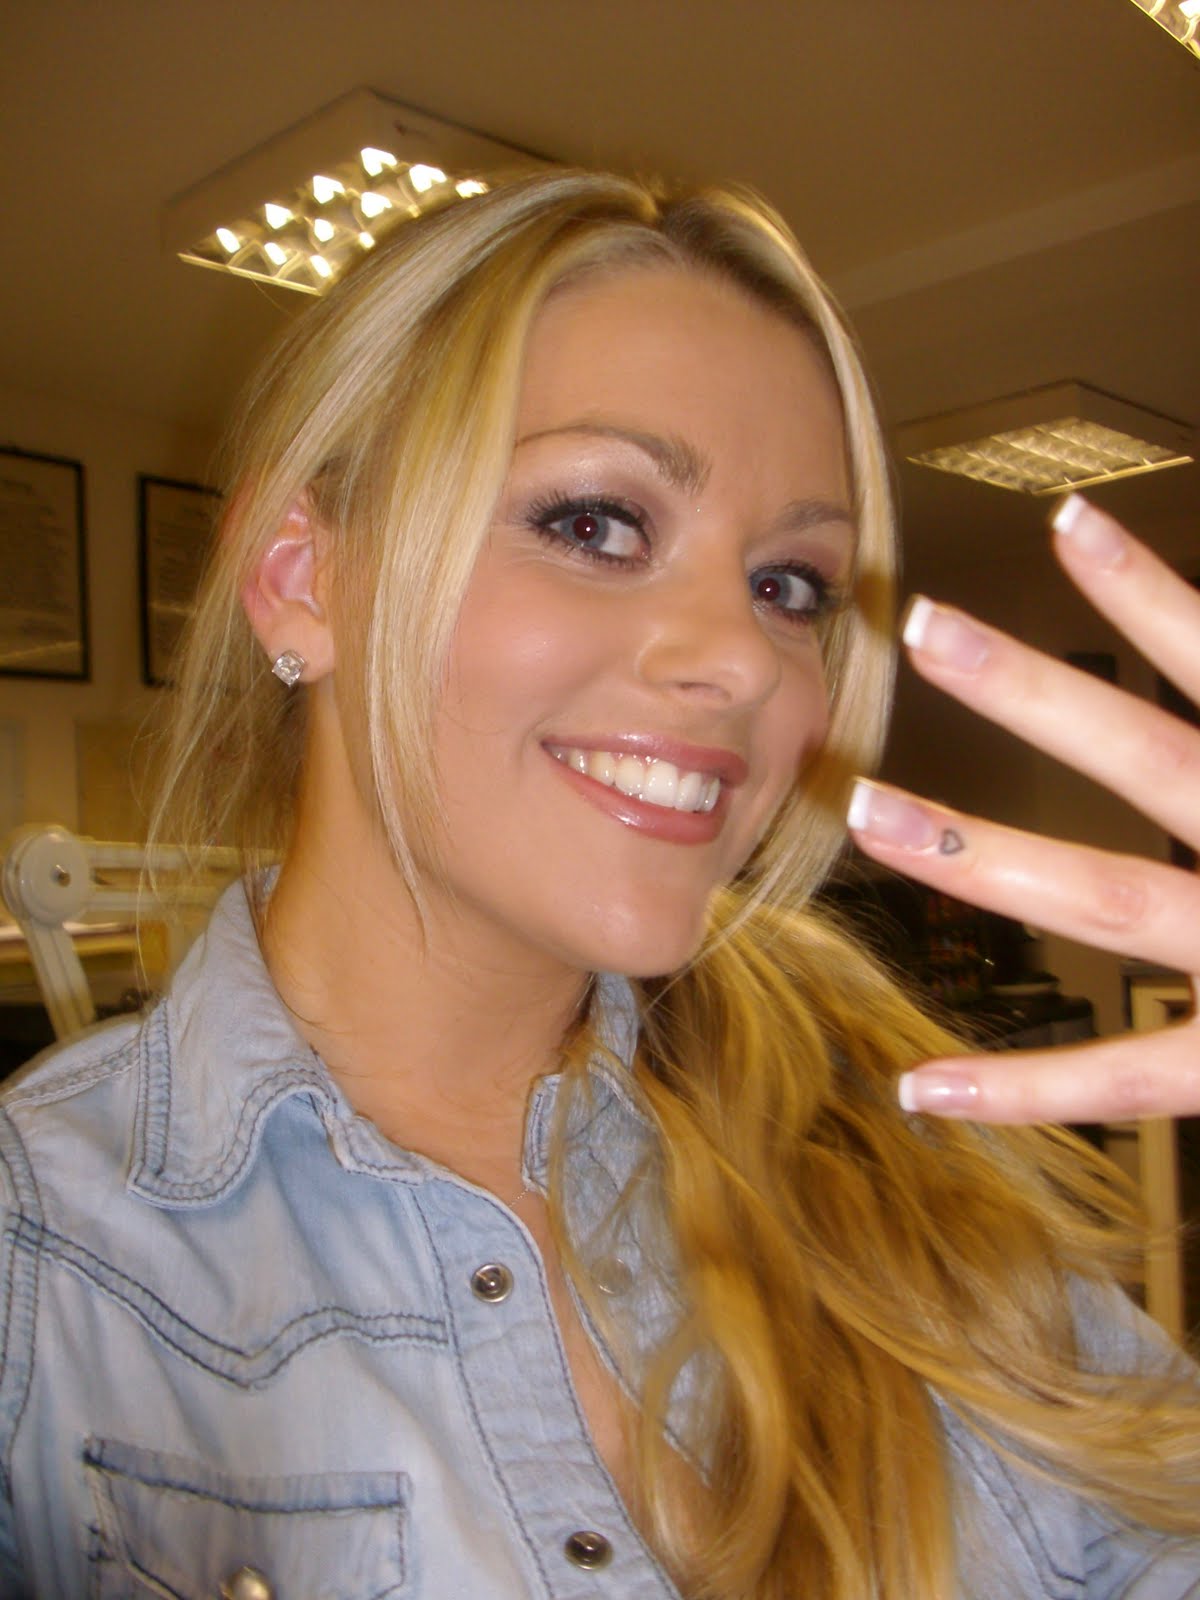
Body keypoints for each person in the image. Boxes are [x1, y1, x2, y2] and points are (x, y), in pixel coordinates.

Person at [0, 169, 1197, 1600]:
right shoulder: (42, 1258)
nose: (743, 659)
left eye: (790, 586)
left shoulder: (913, 1178)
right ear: (301, 577)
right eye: (595, 524)